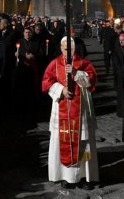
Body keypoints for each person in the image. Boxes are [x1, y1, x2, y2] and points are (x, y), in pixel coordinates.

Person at [42, 36, 99, 189]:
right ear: (61, 48)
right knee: (62, 140)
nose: (68, 50)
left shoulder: (84, 63)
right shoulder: (54, 64)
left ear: (75, 48)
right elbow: (47, 83)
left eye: (71, 48)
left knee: (83, 141)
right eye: (65, 48)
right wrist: (62, 90)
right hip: (62, 107)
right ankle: (65, 176)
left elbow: (91, 81)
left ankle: (85, 176)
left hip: (81, 110)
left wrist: (76, 72)